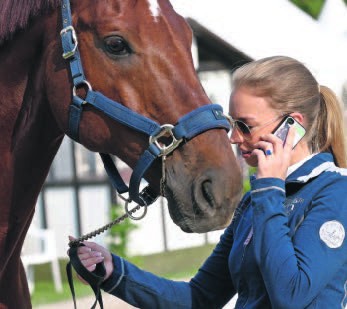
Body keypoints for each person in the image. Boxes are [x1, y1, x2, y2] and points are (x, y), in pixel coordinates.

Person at [71, 56, 347, 308]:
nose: (234, 137)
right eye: (231, 123)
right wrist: (114, 272)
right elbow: (199, 298)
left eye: (245, 125)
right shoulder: (259, 199)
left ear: (292, 125)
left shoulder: (335, 193)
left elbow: (291, 295)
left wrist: (270, 189)